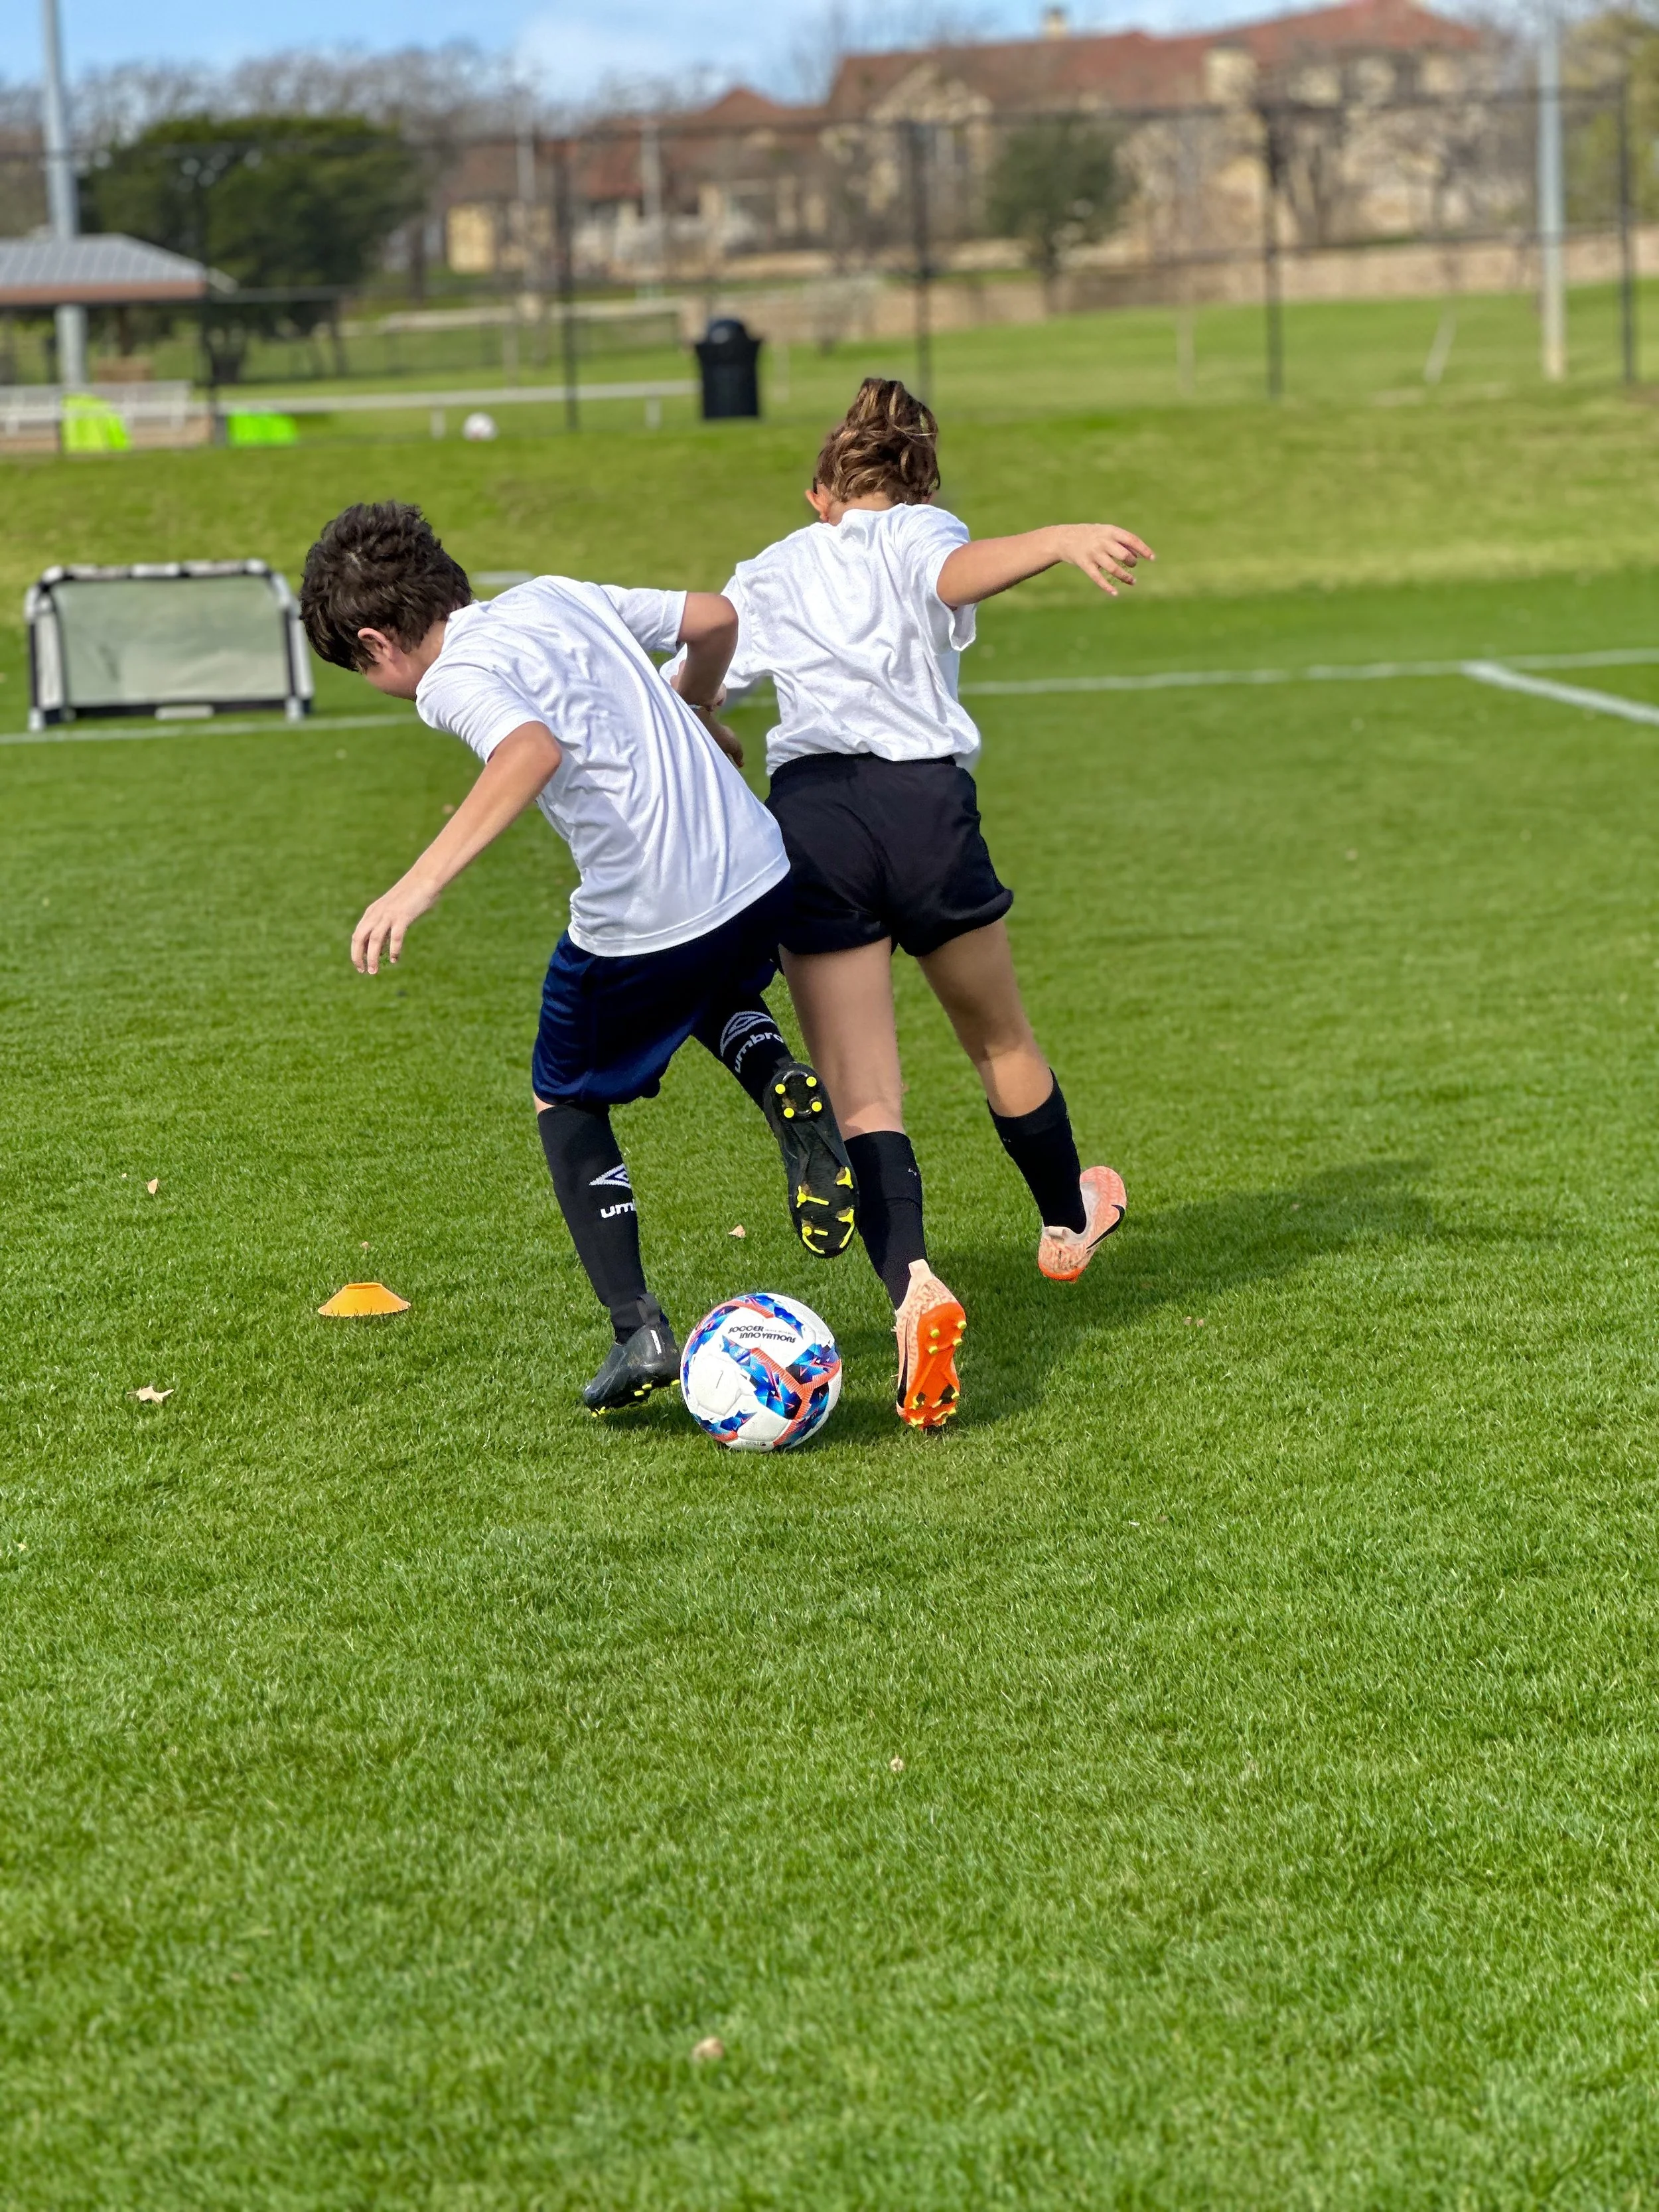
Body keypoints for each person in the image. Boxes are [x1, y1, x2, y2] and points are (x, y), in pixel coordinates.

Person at [299, 500, 855, 1416]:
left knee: (564, 1091)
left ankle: (636, 1326)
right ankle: (774, 1076)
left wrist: (419, 884)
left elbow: (528, 750)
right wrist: (695, 707)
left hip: (645, 909)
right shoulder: (554, 594)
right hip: (758, 867)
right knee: (706, 984)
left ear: (377, 641)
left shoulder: (450, 677)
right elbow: (716, 617)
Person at [709, 378, 1153, 1431]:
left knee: (864, 1096)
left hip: (816, 819)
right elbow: (956, 571)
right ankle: (1062, 1225)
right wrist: (1060, 535)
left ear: (822, 493)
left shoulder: (773, 566)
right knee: (1000, 1040)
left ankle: (913, 1285)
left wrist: (692, 711)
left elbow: (707, 667)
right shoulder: (921, 531)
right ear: (919, 488)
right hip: (924, 808)